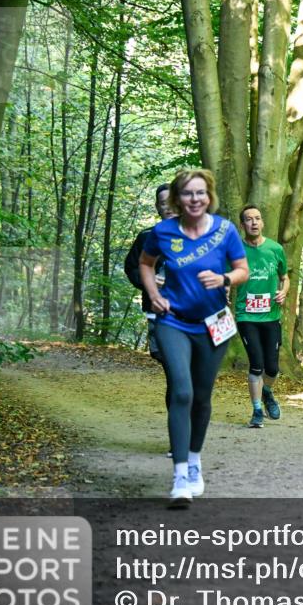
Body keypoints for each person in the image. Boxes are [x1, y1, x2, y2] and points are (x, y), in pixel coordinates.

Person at [139, 169, 248, 505]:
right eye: (187, 193)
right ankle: (180, 475)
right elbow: (145, 264)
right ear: (177, 199)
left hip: (214, 324)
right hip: (174, 322)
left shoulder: (225, 230)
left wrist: (224, 279)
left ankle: (195, 460)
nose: (195, 199)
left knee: (201, 396)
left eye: (200, 193)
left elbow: (242, 270)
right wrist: (153, 295)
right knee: (182, 391)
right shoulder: (163, 232)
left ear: (209, 196)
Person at [124, 183, 177, 456]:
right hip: (160, 317)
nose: (167, 207)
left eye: (171, 201)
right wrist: (149, 282)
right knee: (176, 377)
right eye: (162, 203)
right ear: (157, 207)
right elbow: (131, 268)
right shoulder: (147, 237)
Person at [234, 205, 289, 428]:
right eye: (249, 219)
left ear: (262, 222)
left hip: (271, 316)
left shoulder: (275, 249)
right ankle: (257, 410)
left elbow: (285, 277)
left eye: (257, 218)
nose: (254, 222)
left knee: (272, 368)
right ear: (242, 225)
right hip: (246, 316)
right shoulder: (236, 250)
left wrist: (284, 292)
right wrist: (223, 291)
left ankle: (267, 392)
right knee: (256, 364)